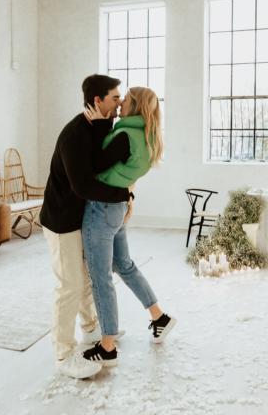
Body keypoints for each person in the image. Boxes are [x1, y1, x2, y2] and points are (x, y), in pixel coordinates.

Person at [40, 74, 135, 379]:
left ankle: (91, 328)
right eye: (115, 97)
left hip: (79, 217)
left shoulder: (93, 128)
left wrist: (104, 126)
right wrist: (124, 194)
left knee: (85, 279)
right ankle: (64, 354)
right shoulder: (75, 134)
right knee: (69, 286)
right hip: (61, 221)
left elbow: (100, 162)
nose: (120, 102)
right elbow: (83, 185)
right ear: (99, 101)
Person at [82, 87, 177, 367]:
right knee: (124, 265)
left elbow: (95, 165)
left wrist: (99, 126)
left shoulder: (124, 136)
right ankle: (159, 316)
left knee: (100, 277)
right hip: (119, 206)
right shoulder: (148, 135)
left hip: (102, 208)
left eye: (125, 98)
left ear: (134, 104)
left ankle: (108, 346)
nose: (120, 101)